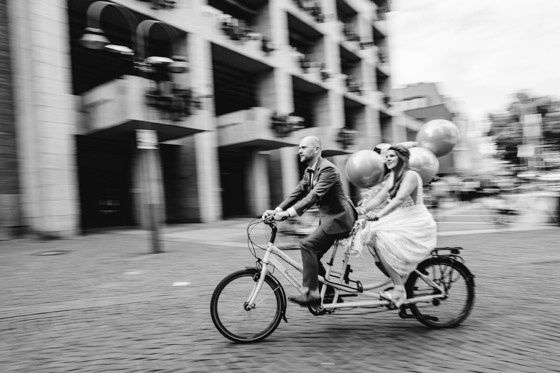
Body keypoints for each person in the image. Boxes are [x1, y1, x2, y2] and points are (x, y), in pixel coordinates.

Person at [263, 136, 357, 306]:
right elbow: (297, 192)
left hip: (340, 219)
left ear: (316, 150)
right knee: (314, 255)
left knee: (307, 245)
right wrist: (277, 210)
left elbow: (313, 197)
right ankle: (328, 292)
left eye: (303, 147)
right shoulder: (309, 171)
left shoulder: (328, 170)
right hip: (328, 218)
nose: (299, 150)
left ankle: (311, 293)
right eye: (299, 147)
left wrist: (287, 214)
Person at [360, 144, 437, 307]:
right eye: (386, 156)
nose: (387, 159)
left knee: (379, 238)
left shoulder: (410, 175)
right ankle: (399, 281)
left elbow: (399, 199)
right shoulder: (392, 177)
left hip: (414, 221)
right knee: (370, 242)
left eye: (392, 156)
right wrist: (359, 209)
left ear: (402, 159)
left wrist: (379, 215)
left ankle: (399, 289)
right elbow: (379, 198)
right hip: (399, 219)